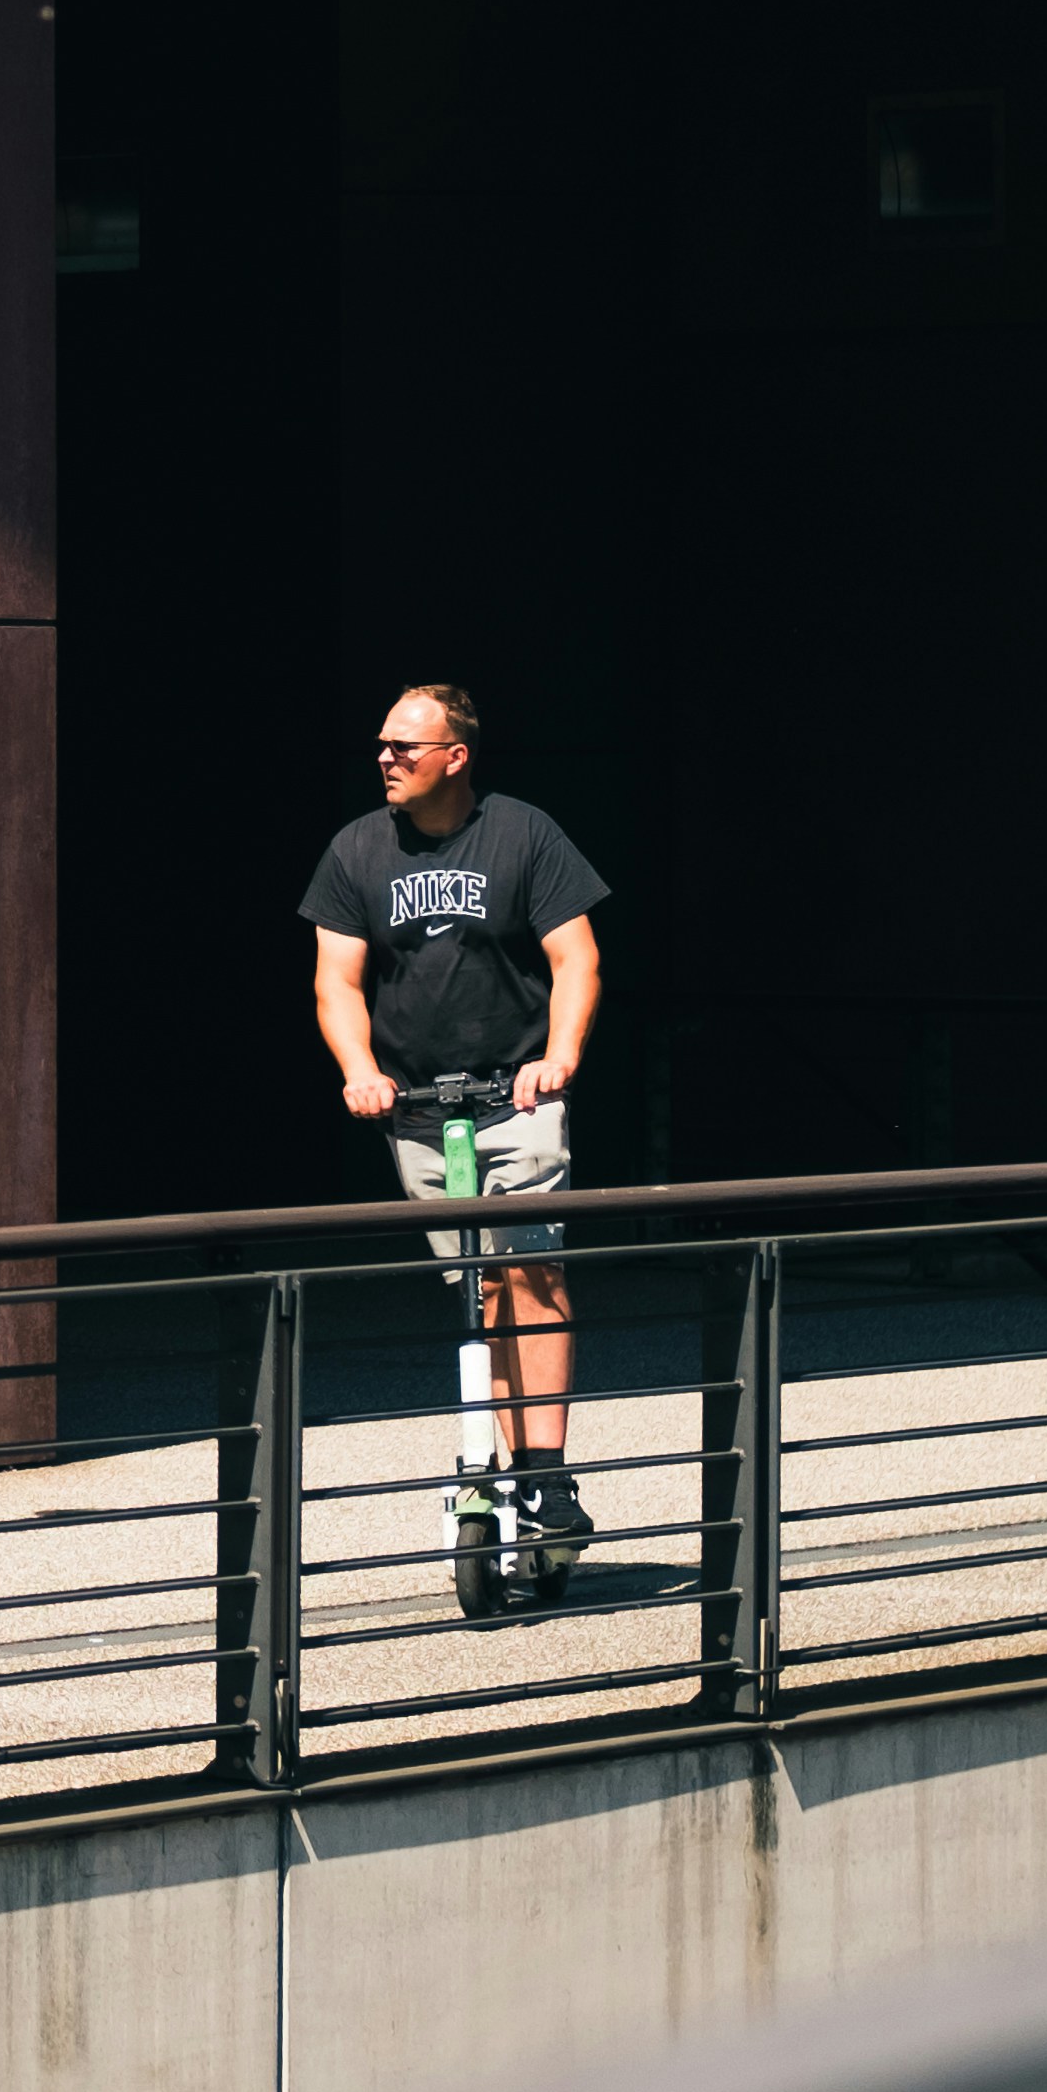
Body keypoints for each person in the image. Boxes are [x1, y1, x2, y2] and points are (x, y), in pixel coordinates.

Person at [298, 684, 612, 1601]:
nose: (387, 757)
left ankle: (545, 1474)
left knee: (531, 1271)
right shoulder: (356, 849)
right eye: (382, 744)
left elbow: (576, 959)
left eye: (406, 745)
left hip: (514, 1097)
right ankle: (496, 1459)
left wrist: (557, 1059)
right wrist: (358, 1069)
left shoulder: (524, 835)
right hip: (420, 1113)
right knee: (476, 1291)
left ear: (456, 756)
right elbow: (338, 983)